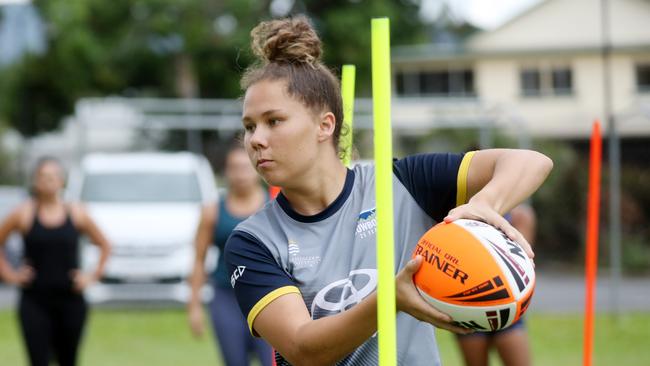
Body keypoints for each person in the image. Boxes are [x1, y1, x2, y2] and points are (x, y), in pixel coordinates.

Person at [224, 16, 553, 366]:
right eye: (249, 126)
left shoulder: (400, 182)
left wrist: (484, 203)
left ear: (324, 125)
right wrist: (389, 301)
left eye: (274, 121)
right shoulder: (253, 241)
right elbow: (303, 349)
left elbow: (530, 161)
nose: (256, 140)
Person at [0, 156, 111, 366]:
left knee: (68, 360)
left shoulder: (76, 213)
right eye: (42, 177)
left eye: (53, 177)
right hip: (35, 300)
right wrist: (10, 275)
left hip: (70, 299)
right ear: (35, 181)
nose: (47, 182)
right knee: (38, 360)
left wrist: (91, 276)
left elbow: (105, 245)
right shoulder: (24, 213)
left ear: (62, 181)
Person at [187, 144, 273, 366]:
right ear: (226, 172)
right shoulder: (213, 211)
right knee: (234, 360)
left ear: (256, 169)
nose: (240, 174)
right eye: (234, 168)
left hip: (268, 296)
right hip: (226, 297)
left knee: (272, 360)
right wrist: (194, 306)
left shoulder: (274, 206)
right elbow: (198, 259)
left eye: (245, 167)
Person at [455, 203, 538, 366]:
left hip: (506, 304)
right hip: (469, 303)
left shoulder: (519, 216)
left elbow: (524, 267)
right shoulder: (459, 211)